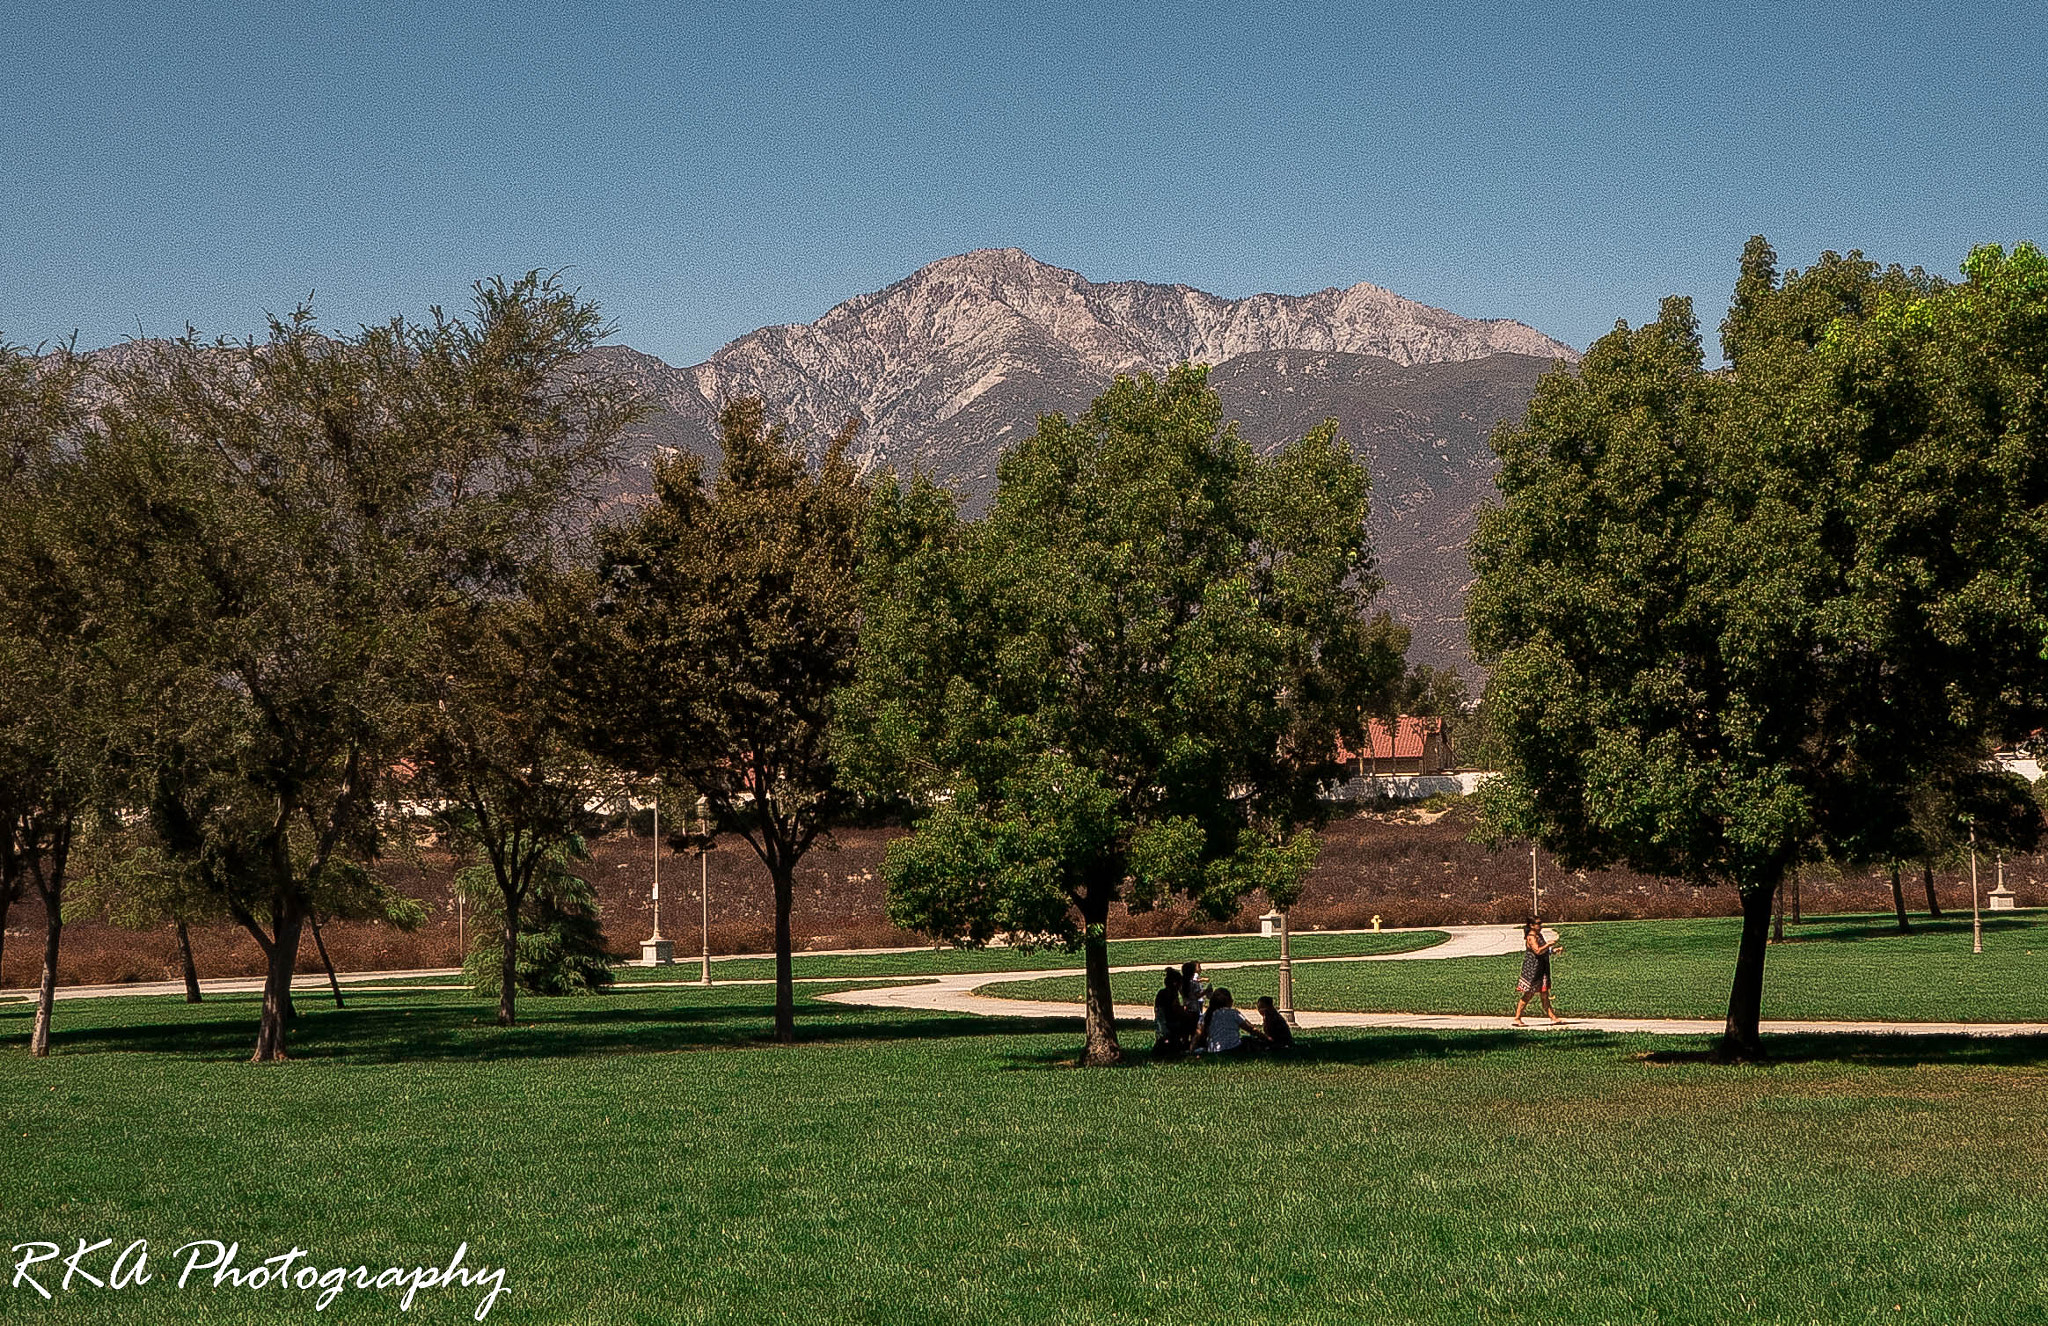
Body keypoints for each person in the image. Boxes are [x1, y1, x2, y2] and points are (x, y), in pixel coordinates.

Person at [1513, 917, 1564, 1026]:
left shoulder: (1539, 936)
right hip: (1533, 970)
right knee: (1528, 994)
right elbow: (1537, 950)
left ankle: (1553, 1017)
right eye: (1538, 924)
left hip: (1542, 968)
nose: (1540, 926)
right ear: (1531, 925)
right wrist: (1548, 944)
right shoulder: (1531, 937)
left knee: (1544, 993)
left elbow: (1544, 950)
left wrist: (1553, 950)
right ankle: (1517, 1018)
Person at [1193, 987, 1266, 1054]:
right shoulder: (1233, 1013)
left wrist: (1191, 1049)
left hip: (1215, 1050)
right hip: (1234, 1048)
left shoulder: (1206, 1016)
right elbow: (1251, 1029)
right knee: (1247, 1040)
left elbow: (1198, 1035)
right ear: (1229, 1001)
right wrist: (1266, 1038)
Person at [1152, 967, 1188, 1055]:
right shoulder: (1172, 994)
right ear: (1176, 984)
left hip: (1161, 1023)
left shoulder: (1162, 992)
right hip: (1169, 1023)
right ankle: (1184, 1044)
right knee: (1187, 1023)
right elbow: (1175, 1010)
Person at [1181, 960, 1208, 1033]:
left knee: (1186, 1030)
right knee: (1195, 1029)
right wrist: (1206, 991)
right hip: (1194, 1009)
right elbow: (1196, 996)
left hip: (1186, 1007)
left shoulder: (1183, 984)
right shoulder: (1193, 984)